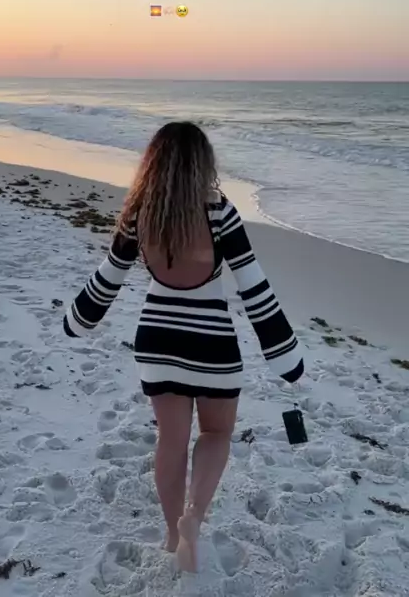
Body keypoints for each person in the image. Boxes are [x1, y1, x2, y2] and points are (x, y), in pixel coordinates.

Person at [63, 121, 303, 573]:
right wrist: (285, 356)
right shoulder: (220, 212)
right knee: (216, 435)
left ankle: (174, 534)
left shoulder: (140, 212)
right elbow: (253, 287)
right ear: (202, 163)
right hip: (212, 345)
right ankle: (193, 516)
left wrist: (77, 319)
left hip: (156, 342)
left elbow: (109, 277)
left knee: (170, 442)